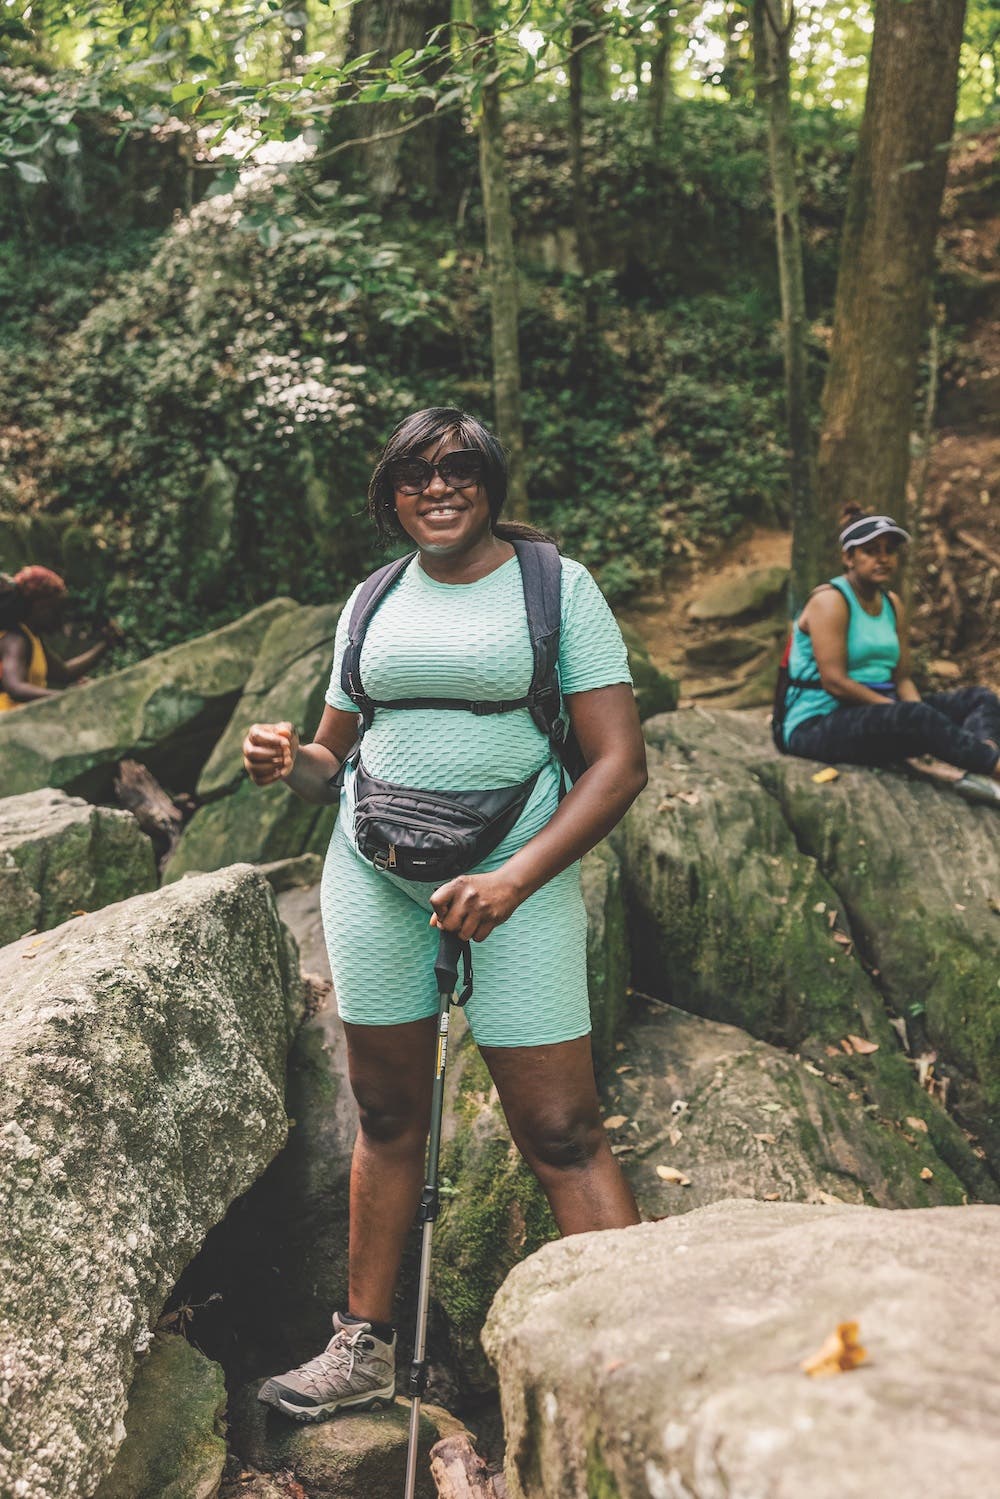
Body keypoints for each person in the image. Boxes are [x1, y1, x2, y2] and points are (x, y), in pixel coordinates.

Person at [242, 407, 647, 1421]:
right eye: (415, 473)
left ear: (491, 482)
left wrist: (513, 881)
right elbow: (332, 756)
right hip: (374, 878)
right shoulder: (373, 597)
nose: (438, 486)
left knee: (561, 1129)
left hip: (517, 880)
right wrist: (295, 765)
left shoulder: (557, 587)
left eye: (459, 468)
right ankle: (361, 1349)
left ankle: (645, 1347)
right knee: (385, 1114)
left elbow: (617, 763)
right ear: (389, 492)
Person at [781, 507, 1000, 790]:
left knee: (978, 699)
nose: (883, 558)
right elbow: (834, 682)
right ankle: (993, 767)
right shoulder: (830, 601)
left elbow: (902, 678)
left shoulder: (892, 604)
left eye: (889, 551)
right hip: (817, 724)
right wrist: (907, 716)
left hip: (881, 711)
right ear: (848, 557)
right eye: (871, 551)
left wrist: (921, 718)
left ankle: (981, 764)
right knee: (914, 716)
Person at [0, 565, 121, 711]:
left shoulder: (32, 638)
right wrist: (66, 697)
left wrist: (105, 645)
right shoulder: (16, 639)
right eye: (56, 609)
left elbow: (64, 672)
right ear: (40, 606)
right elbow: (15, 687)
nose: (60, 618)